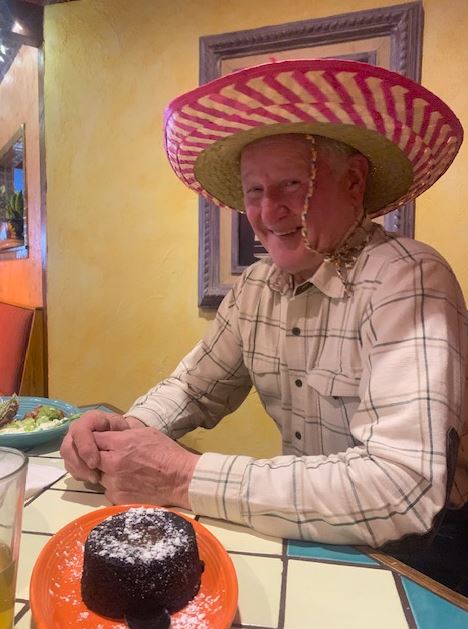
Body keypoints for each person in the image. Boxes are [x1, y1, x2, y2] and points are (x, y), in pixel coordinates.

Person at [61, 59, 468, 591]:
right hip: (308, 534)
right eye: (253, 191)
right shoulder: (256, 286)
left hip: (424, 558)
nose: (269, 210)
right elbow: (193, 388)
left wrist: (182, 475)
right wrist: (123, 434)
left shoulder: (408, 278)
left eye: (292, 184)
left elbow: (404, 489)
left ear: (353, 181)